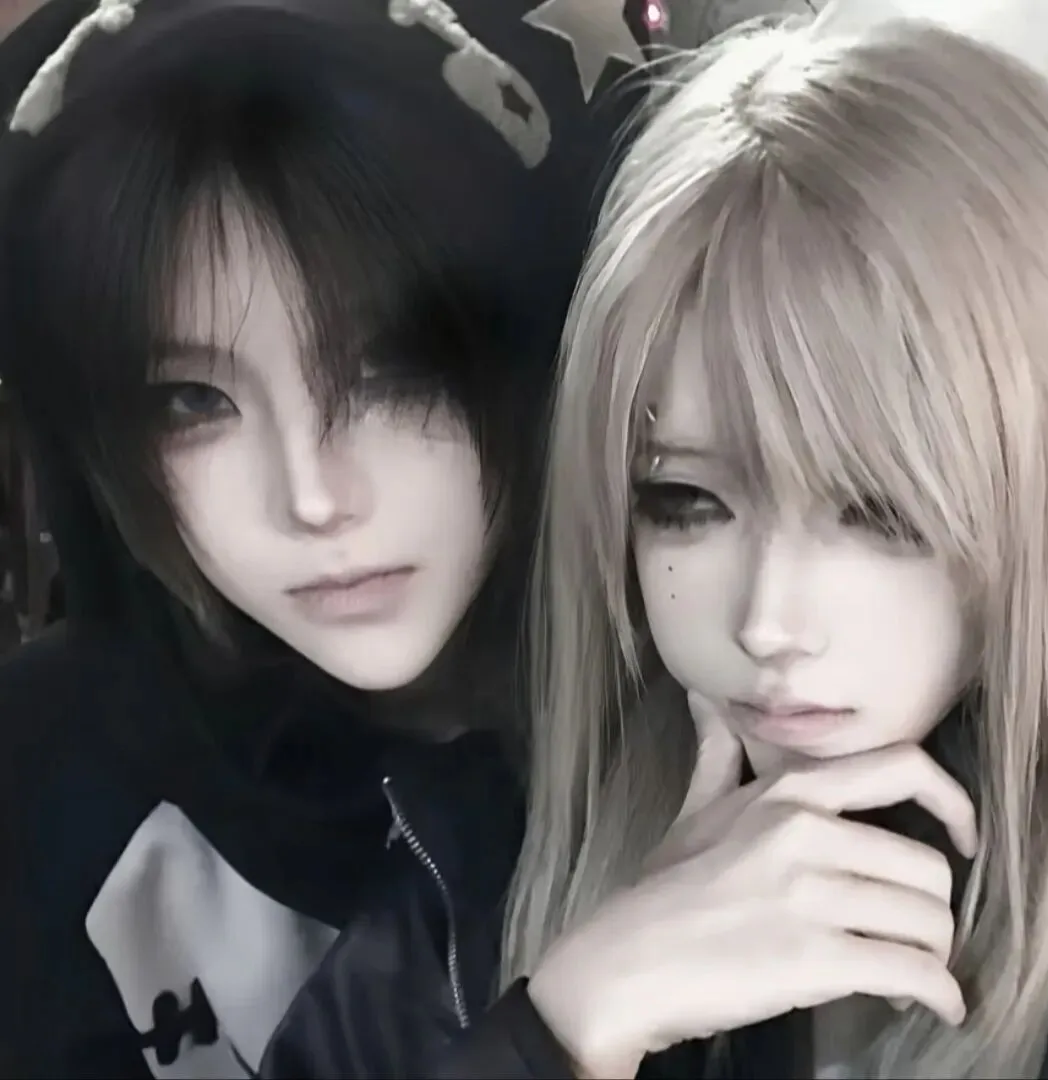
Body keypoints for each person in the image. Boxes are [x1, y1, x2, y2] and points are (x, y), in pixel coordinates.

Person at [0, 0, 650, 1076]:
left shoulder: (727, 728)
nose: (311, 496)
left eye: (394, 370)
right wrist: (553, 1041)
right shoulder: (40, 789)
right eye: (193, 402)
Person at [489, 4, 1048, 1079]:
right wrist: (565, 1030)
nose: (768, 623)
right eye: (685, 500)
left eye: (881, 511)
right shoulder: (472, 857)